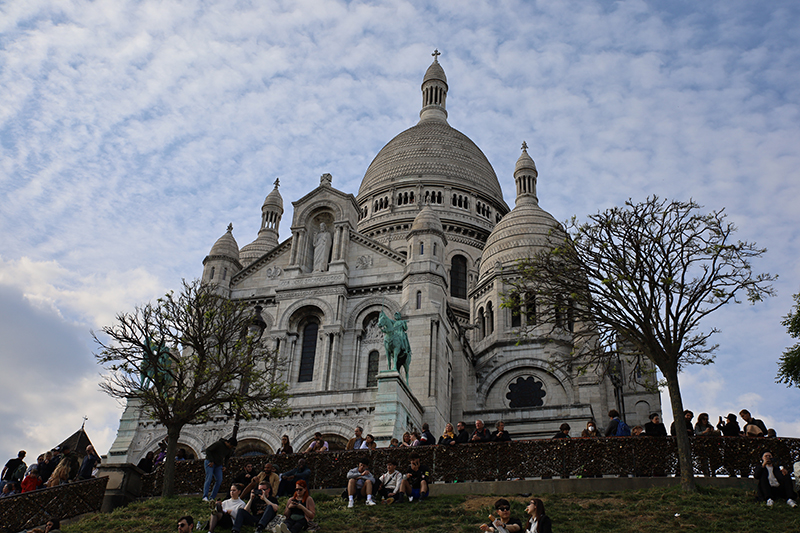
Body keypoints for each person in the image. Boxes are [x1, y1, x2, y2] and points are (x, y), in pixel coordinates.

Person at [202, 436, 237, 502]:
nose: (231, 448)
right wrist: (211, 460)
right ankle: (205, 496)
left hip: (218, 464)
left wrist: (225, 466)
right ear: (229, 443)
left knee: (219, 480)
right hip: (210, 462)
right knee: (209, 478)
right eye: (231, 446)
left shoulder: (229, 450)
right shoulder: (218, 444)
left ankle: (212, 497)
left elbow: (227, 458)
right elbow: (208, 450)